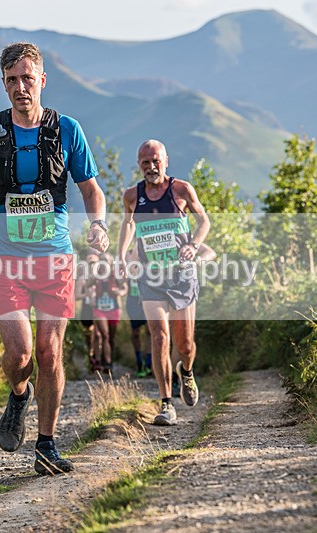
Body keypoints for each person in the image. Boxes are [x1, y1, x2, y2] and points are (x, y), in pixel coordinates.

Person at [0, 42, 108, 475]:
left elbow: (92, 190)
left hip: (54, 259)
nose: (21, 87)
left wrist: (98, 225)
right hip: (4, 259)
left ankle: (47, 444)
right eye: (12, 79)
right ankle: (19, 395)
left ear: (42, 79)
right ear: (3, 84)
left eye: (27, 77)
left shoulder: (67, 130)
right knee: (20, 354)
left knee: (50, 352)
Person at [117, 139, 210, 426]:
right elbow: (129, 223)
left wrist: (193, 245)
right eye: (145, 162)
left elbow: (204, 220)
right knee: (159, 336)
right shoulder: (132, 195)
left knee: (184, 344)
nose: (151, 166)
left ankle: (188, 371)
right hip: (151, 277)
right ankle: (166, 403)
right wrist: (121, 256)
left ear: (165, 160)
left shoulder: (181, 190)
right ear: (139, 164)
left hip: (181, 276)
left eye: (156, 160)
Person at [91, 252, 127, 373]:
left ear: (111, 262)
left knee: (111, 337)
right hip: (99, 309)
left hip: (113, 309)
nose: (104, 262)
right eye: (101, 260)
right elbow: (86, 285)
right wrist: (90, 295)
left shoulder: (115, 275)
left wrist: (120, 293)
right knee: (105, 335)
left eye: (106, 260)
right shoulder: (95, 275)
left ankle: (106, 359)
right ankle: (108, 364)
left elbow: (125, 287)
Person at [124, 245, 152, 378]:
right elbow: (122, 279)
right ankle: (139, 362)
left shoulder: (148, 255)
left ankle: (149, 363)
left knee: (149, 331)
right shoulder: (129, 255)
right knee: (135, 332)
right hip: (133, 301)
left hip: (148, 298)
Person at [75, 251, 103, 371]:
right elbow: (76, 295)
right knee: (89, 336)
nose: (93, 265)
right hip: (87, 308)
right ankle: (90, 357)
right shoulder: (82, 279)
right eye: (90, 263)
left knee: (98, 334)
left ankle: (98, 359)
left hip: (99, 307)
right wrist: (87, 293)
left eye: (95, 263)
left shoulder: (102, 277)